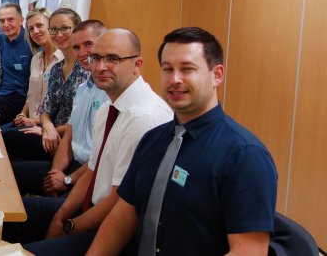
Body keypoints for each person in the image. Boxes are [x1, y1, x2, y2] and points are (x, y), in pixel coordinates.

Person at [87, 27, 277, 256]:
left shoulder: (245, 155)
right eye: (168, 69)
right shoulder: (152, 140)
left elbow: (250, 251)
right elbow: (122, 216)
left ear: (217, 75)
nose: (175, 79)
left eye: (187, 69)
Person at [4, 28, 172, 256]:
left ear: (137, 64)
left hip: (115, 228)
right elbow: (92, 172)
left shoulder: (144, 117)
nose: (100, 67)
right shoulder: (107, 109)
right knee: (1, 213)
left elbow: (118, 204)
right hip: (89, 206)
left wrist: (69, 226)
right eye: (97, 58)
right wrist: (60, 217)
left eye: (113, 59)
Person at [11, 19, 107, 196]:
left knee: (9, 147)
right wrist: (54, 177)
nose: (82, 52)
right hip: (65, 153)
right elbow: (66, 127)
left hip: (86, 175)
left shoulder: (108, 93)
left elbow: (101, 159)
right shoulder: (84, 87)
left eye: (88, 44)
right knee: (7, 167)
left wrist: (67, 180)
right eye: (77, 47)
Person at [4, 8, 86, 161]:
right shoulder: (52, 66)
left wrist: (46, 128)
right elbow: (44, 106)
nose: (59, 34)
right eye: (54, 29)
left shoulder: (85, 68)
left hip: (65, 137)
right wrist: (31, 118)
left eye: (65, 28)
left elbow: (80, 121)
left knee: (2, 141)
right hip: (46, 127)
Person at [0, 7, 61, 132]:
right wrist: (22, 114)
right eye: (31, 29)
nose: (35, 31)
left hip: (46, 129)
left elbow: (60, 105)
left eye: (39, 25)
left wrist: (35, 121)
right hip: (29, 122)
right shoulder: (36, 59)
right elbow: (30, 96)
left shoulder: (62, 60)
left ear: (51, 27)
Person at [0, 2, 33, 125]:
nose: (6, 25)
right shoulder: (0, 39)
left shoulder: (31, 41)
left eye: (10, 20)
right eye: (2, 21)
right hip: (2, 92)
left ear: (21, 20)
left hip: (21, 96)